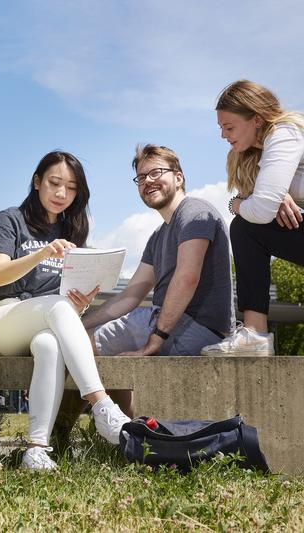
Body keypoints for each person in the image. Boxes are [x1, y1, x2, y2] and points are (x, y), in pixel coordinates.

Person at [0, 150, 131, 471]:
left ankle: (36, 449)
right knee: (58, 309)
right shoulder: (10, 220)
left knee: (50, 345)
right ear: (37, 182)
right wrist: (42, 254)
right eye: (54, 183)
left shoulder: (72, 230)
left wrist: (81, 301)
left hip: (48, 320)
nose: (62, 193)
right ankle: (101, 404)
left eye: (72, 187)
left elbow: (62, 297)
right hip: (6, 318)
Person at [82, 144, 233, 414]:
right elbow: (130, 297)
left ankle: (90, 433)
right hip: (166, 321)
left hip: (197, 326)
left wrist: (155, 339)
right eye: (141, 177)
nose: (147, 181)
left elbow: (187, 277)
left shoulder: (195, 213)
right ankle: (127, 430)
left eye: (155, 173)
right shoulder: (158, 236)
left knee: (81, 348)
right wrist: (77, 325)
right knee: (78, 339)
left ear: (178, 177)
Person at [201, 80, 304, 356]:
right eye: (221, 128)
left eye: (229, 127)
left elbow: (260, 210)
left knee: (246, 225)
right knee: (248, 228)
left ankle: (255, 333)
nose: (223, 135)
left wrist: (245, 203)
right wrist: (260, 199)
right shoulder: (255, 158)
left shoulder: (285, 132)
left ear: (256, 120)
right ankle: (254, 335)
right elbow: (261, 207)